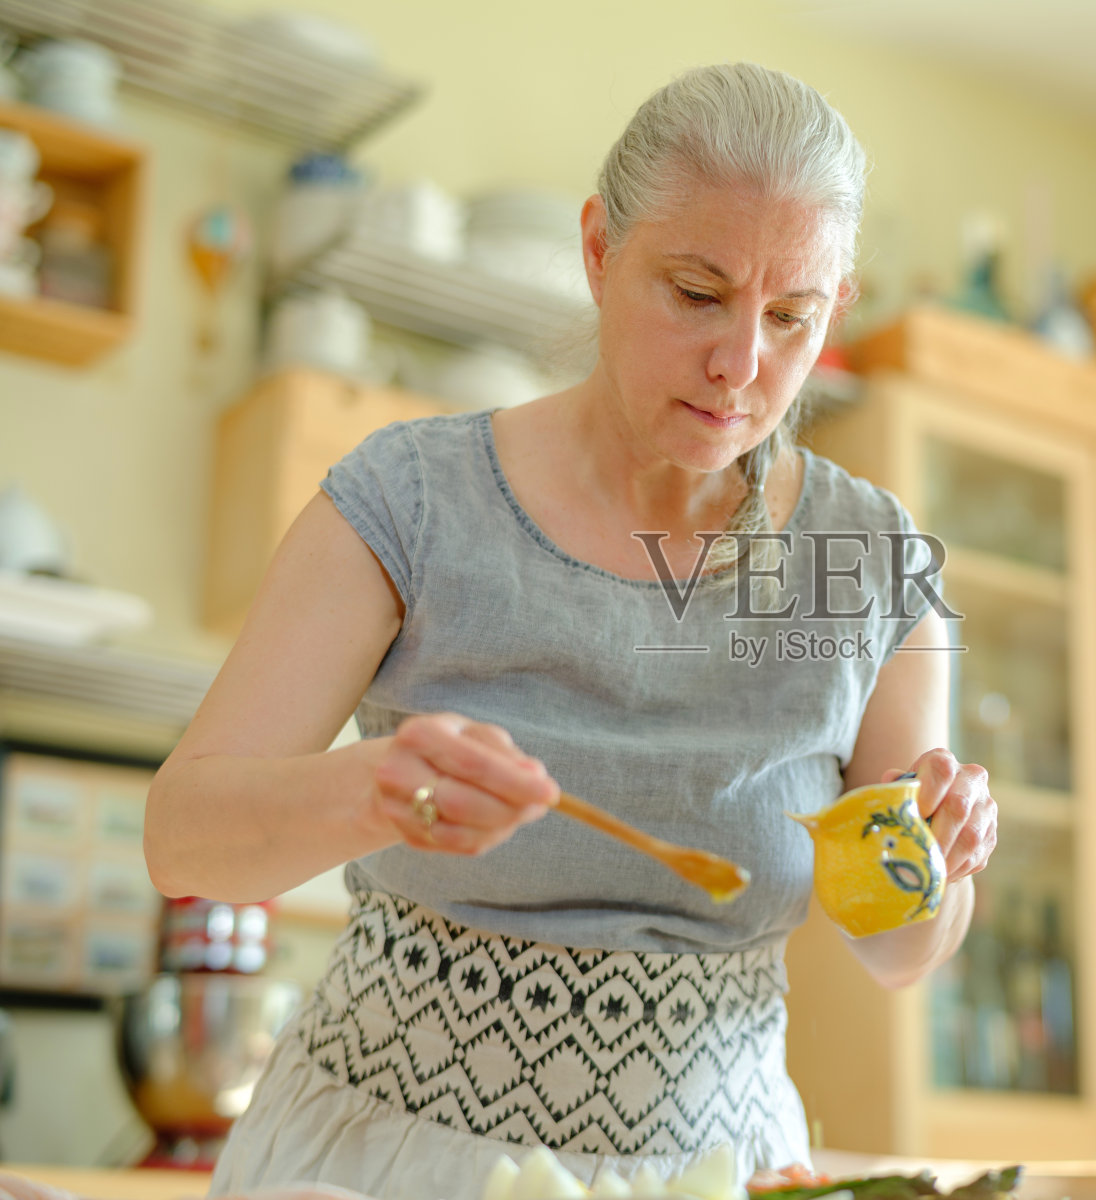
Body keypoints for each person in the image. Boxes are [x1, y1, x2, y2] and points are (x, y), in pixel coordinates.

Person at [145, 62, 997, 1200]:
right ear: (600, 250)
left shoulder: (875, 566)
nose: (742, 365)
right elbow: (182, 839)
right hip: (382, 1162)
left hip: (719, 1170)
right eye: (695, 292)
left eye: (789, 317)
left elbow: (899, 955)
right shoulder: (409, 500)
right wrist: (371, 791)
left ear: (831, 310)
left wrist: (931, 865)